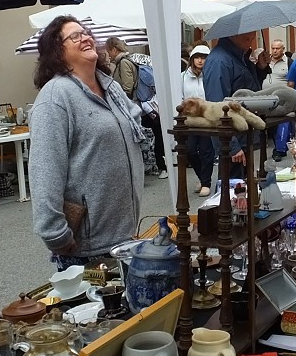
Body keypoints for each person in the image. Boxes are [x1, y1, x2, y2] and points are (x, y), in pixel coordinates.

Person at [31, 18, 145, 269]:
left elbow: (133, 120)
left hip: (125, 234)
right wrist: (54, 234)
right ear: (57, 51)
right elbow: (45, 170)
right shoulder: (55, 98)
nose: (85, 37)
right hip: (86, 248)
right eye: (74, 36)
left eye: (85, 33)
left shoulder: (110, 87)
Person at [107, 37, 167, 179]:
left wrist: (117, 95)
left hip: (137, 105)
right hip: (144, 103)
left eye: (109, 51)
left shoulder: (124, 63)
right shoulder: (133, 59)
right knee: (154, 133)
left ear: (114, 49)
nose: (109, 55)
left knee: (146, 135)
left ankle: (159, 165)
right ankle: (159, 165)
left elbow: (128, 87)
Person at [203, 29, 261, 169]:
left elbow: (251, 90)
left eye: (252, 39)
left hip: (243, 132)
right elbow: (216, 106)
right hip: (233, 136)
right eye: (247, 39)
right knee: (232, 185)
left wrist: (261, 68)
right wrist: (231, 144)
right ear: (234, 35)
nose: (250, 43)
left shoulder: (238, 56)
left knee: (243, 185)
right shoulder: (219, 60)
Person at [181, 44, 214, 196]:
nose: (200, 61)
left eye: (204, 58)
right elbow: (180, 96)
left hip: (207, 117)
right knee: (190, 150)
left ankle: (206, 182)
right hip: (190, 119)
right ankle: (202, 177)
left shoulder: (210, 75)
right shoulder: (183, 76)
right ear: (192, 59)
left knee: (206, 150)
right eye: (197, 57)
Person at [264, 39, 291, 159]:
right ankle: (281, 146)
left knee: (283, 121)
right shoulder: (266, 62)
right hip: (265, 98)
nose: (274, 51)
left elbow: (293, 80)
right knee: (272, 125)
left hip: (283, 98)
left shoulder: (289, 62)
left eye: (277, 48)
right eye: (273, 48)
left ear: (283, 49)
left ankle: (279, 149)